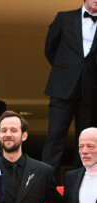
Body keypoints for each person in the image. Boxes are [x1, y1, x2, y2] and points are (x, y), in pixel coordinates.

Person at [42, 0, 97, 176]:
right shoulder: (64, 18)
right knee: (55, 137)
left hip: (90, 90)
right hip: (62, 87)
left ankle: (81, 183)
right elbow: (50, 49)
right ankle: (45, 186)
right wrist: (67, 71)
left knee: (87, 141)